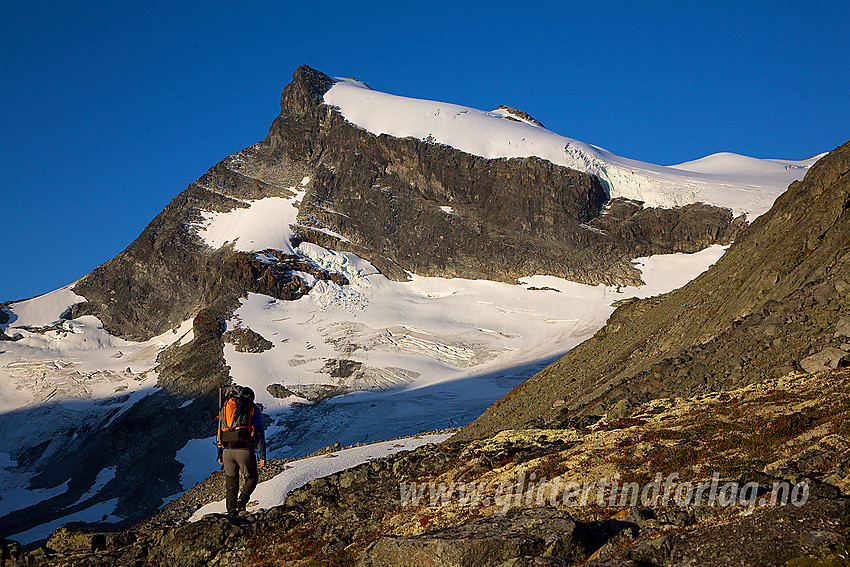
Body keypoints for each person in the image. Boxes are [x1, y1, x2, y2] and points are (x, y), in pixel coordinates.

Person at [217, 385, 266, 514]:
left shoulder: (225, 406)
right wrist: (262, 455)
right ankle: (242, 500)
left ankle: (232, 514)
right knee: (252, 478)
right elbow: (259, 432)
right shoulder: (251, 408)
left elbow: (219, 430)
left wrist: (219, 452)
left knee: (231, 485)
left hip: (227, 450)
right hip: (244, 450)